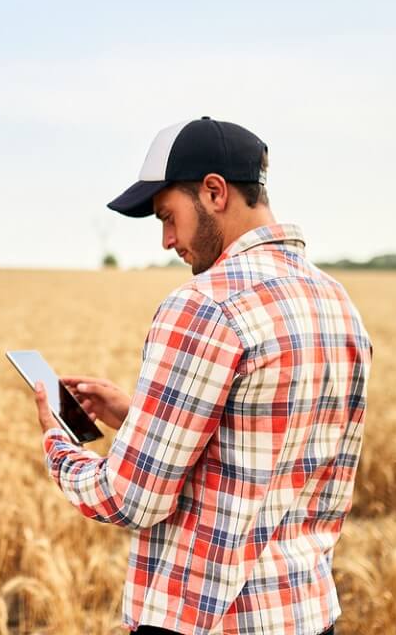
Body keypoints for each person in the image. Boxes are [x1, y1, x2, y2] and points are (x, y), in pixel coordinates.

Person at [31, 117, 372, 635]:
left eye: (169, 216)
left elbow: (130, 498)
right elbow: (270, 452)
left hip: (209, 622)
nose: (167, 240)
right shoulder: (338, 304)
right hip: (307, 614)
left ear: (214, 191)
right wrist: (138, 419)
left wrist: (58, 444)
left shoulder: (205, 304)